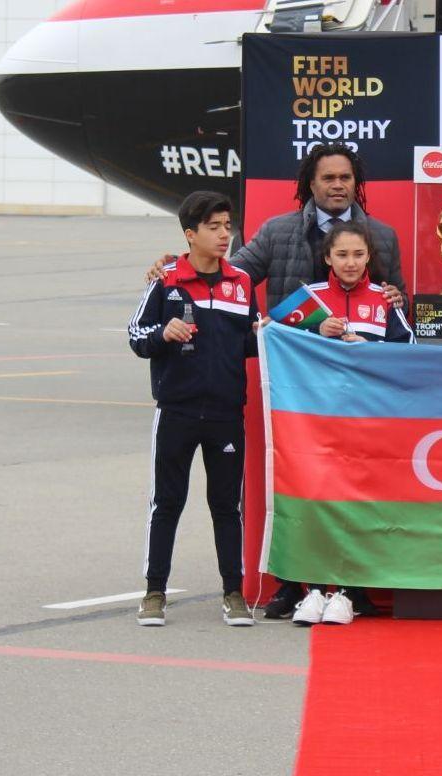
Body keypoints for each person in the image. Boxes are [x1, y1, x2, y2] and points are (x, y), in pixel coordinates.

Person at [268, 220, 414, 625]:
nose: (350, 263)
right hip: (316, 426)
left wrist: (371, 348)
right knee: (314, 503)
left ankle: (349, 590)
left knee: (358, 505)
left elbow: (412, 355)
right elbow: (271, 340)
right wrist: (317, 331)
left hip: (369, 425)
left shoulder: (386, 300)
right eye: (342, 255)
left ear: (369, 257)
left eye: (358, 255)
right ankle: (312, 587)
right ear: (327, 257)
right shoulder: (309, 300)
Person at [127, 191, 259, 628]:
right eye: (215, 227)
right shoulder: (165, 279)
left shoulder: (241, 282)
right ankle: (154, 592)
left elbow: (251, 343)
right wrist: (164, 332)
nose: (226, 235)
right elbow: (136, 336)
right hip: (177, 411)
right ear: (190, 234)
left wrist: (271, 334)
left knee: (226, 506)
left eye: (228, 226)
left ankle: (233, 593)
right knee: (167, 502)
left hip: (226, 413)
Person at [149, 143, 406, 310]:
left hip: (358, 361)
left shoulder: (383, 235)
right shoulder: (276, 231)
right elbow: (229, 274)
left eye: (345, 178)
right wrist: (178, 265)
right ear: (312, 185)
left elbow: (401, 305)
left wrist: (397, 300)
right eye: (328, 178)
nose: (338, 185)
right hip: (295, 359)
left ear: (355, 182)